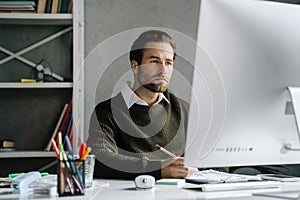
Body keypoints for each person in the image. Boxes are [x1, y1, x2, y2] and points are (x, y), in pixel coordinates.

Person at [87, 30, 198, 180]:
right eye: (154, 61)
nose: (163, 70)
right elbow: (100, 158)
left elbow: (214, 159)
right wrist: (158, 169)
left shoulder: (185, 109)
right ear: (135, 66)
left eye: (168, 63)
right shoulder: (106, 111)